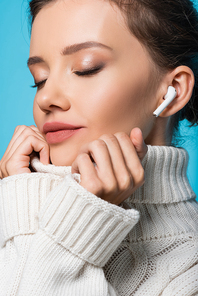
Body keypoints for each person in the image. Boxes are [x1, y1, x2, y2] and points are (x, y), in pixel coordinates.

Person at [0, 0, 198, 295]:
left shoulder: (188, 268)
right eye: (40, 80)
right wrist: (25, 197)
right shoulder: (18, 207)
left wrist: (80, 226)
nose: (45, 99)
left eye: (86, 68)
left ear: (172, 92)